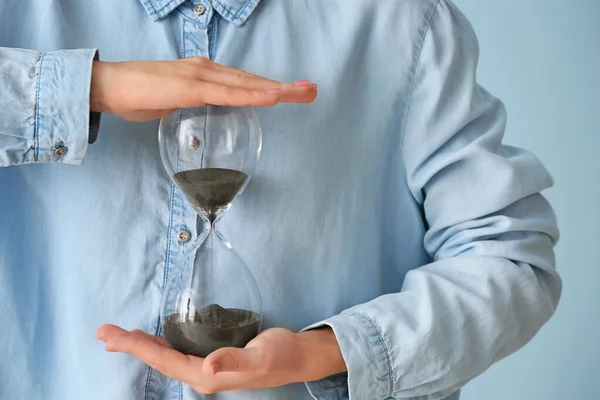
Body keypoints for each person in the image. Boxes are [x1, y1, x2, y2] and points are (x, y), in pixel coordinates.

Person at [0, 0, 562, 399]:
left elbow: (511, 260)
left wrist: (326, 353)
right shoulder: (20, 18)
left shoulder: (400, 22)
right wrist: (85, 87)